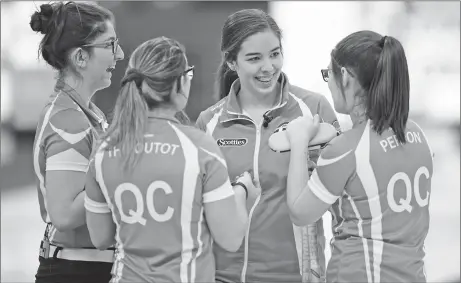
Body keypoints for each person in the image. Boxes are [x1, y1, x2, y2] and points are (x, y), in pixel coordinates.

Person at [84, 36, 257, 282]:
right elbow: (230, 239)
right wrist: (242, 192)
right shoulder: (199, 147)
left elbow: (100, 238)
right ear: (179, 84)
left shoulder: (103, 149)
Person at [196, 9, 340, 283]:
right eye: (254, 58)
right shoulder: (209, 123)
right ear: (230, 61)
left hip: (296, 277)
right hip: (222, 277)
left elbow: (341, 202)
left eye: (275, 54)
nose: (268, 67)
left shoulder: (314, 109)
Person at [285, 31, 434, 283]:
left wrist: (299, 141)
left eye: (327, 75)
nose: (329, 85)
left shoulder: (345, 149)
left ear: (344, 76)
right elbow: (373, 202)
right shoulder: (417, 134)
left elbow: (300, 212)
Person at [30, 2, 124, 282]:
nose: (119, 54)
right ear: (81, 57)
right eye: (110, 44)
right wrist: (123, 169)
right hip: (77, 271)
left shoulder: (86, 112)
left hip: (88, 267)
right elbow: (65, 214)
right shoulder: (68, 120)